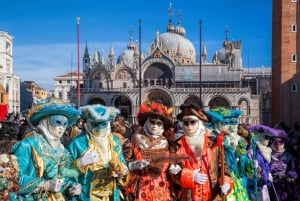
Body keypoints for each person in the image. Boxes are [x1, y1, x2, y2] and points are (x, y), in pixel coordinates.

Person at [12, 97, 82, 201]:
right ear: (46, 122)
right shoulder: (27, 145)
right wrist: (44, 184)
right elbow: (14, 178)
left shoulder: (63, 151)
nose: (62, 127)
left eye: (65, 124)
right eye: (57, 122)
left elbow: (63, 179)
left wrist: (71, 187)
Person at [168, 103, 233, 201]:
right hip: (188, 197)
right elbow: (173, 173)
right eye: (186, 122)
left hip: (212, 196)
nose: (189, 126)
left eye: (192, 122)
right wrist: (190, 176)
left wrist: (226, 183)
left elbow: (223, 169)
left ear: (199, 122)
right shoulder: (176, 146)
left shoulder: (213, 144)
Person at [67, 104, 130, 201]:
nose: (99, 128)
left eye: (103, 124)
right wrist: (80, 163)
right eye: (95, 124)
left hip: (111, 195)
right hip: (87, 195)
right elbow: (65, 171)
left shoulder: (114, 142)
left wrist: (122, 170)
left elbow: (122, 165)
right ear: (88, 122)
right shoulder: (77, 143)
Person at [124, 101, 175, 201]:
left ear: (162, 126)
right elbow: (122, 163)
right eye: (152, 122)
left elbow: (173, 163)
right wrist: (134, 165)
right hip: (141, 188)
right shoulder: (135, 140)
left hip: (162, 188)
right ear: (147, 122)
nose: (155, 126)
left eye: (158, 123)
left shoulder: (167, 142)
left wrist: (174, 167)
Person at [247, 124, 277, 201]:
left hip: (264, 188)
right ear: (259, 136)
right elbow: (251, 174)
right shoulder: (252, 151)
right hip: (256, 190)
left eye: (270, 138)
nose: (269, 140)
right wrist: (266, 176)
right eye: (266, 137)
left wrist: (268, 174)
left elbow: (265, 167)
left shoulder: (264, 150)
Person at [269, 129, 299, 201]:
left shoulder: (289, 157)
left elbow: (294, 172)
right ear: (271, 142)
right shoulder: (266, 155)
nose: (278, 144)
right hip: (271, 188)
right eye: (275, 141)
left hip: (285, 190)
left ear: (284, 142)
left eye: (281, 142)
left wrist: (286, 176)